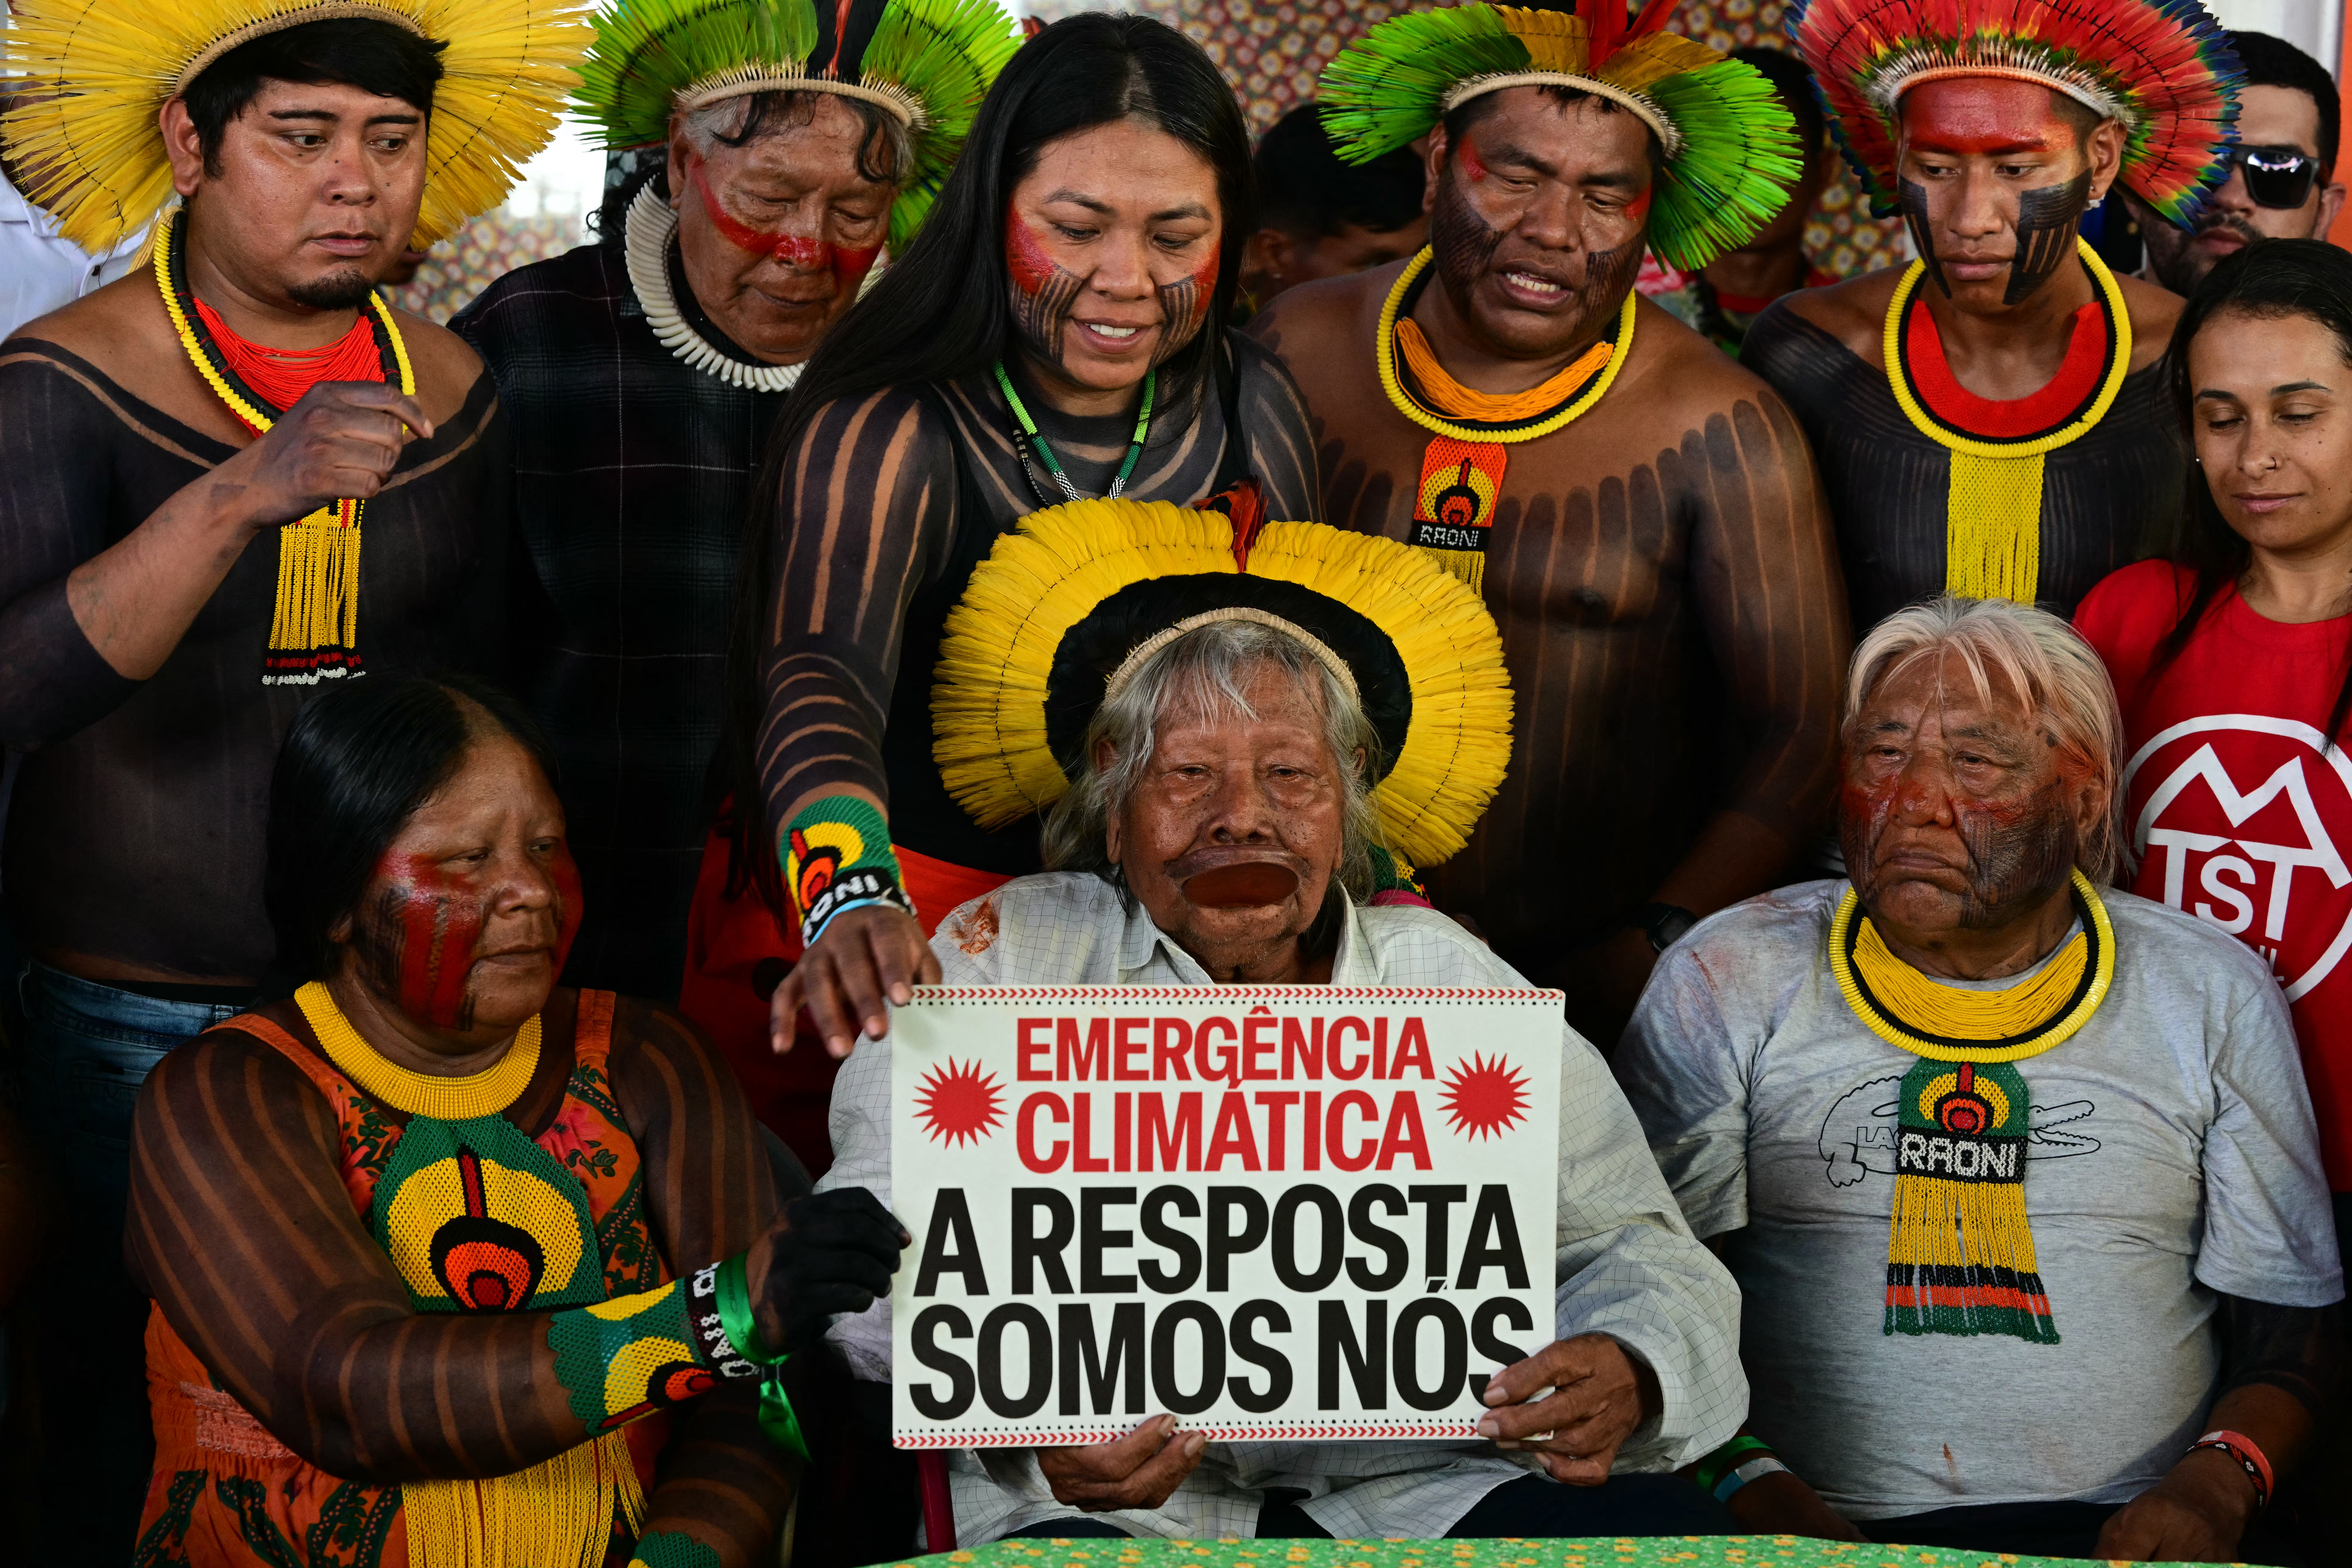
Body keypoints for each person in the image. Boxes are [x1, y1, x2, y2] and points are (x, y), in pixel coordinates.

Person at [820, 497, 1746, 1543]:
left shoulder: (1449, 989)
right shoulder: (1002, 959)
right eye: (1187, 776)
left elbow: (1638, 1244)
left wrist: (1630, 1362)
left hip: (1419, 1484)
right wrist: (1019, 1417)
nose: (1242, 816)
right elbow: (862, 1242)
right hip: (1104, 1494)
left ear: (1346, 807)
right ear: (1113, 814)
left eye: (1289, 775)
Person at [0, 2, 576, 1548]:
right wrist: (243, 491)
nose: (356, 184)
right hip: (127, 998)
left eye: (390, 143)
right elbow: (15, 691)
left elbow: (484, 695)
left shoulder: (451, 385)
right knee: (123, 1386)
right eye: (302, 138)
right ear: (189, 144)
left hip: (387, 1010)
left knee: (352, 1401)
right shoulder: (63, 375)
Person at [1618, 597, 2344, 1563]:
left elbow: (2288, 1323)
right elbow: (1631, 1298)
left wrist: (2217, 1485)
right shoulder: (1728, 977)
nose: (1910, 799)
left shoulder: (2206, 992)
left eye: (1973, 762)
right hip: (1791, 1526)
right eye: (1882, 754)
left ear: (2085, 795)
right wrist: (1755, 1497)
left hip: (2121, 1535)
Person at [125, 673, 905, 1565]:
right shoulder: (224, 1098)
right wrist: (720, 1317)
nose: (527, 890)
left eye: (544, 847)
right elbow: (350, 1397)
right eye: (466, 858)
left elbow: (756, 1400)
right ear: (335, 901)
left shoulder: (648, 1065)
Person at [724, 14, 1324, 1068]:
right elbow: (819, 674)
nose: (1126, 278)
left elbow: (1305, 684)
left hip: (1180, 958)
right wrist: (851, 897)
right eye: (1076, 226)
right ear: (990, 210)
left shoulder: (1251, 401)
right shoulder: (891, 420)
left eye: (1174, 237)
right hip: (914, 937)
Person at [1252, 0, 1850, 1044]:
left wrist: (1648, 952)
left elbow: (1804, 733)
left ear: (1648, 210)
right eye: (1515, 174)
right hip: (1291, 992)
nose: (1552, 230)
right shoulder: (1300, 346)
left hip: (1588, 1005)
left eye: (1603, 194)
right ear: (1438, 165)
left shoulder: (1720, 426)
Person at [454, 0, 1017, 1018]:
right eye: (768, 195)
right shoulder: (529, 344)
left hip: (876, 976)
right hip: (576, 952)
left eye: (855, 212)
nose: (808, 249)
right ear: (678, 160)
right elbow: (444, 672)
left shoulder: (943, 378)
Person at [1750, 0, 2237, 629]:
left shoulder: (2188, 363)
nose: (1969, 218)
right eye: (1934, 168)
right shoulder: (1812, 353)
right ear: (1897, 152)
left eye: (2015, 168)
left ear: (2101, 160)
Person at [2076, 239, 2352, 1254]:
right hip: (2147, 1160)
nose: (2254, 457)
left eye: (2298, 413)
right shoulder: (2129, 619)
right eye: (2219, 417)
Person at [1644, 47, 1839, 357]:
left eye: (1778, 155)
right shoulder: (1632, 309)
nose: (1751, 181)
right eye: (1731, 154)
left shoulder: (1852, 326)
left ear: (1825, 172)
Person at [2128, 32, 2344, 298]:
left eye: (2277, 172)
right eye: (2198, 160)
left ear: (2325, 212)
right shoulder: (2065, 339)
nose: (2230, 198)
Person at [1239, 101, 1426, 317]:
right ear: (1276, 254)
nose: (1410, 289)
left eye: (1420, 258)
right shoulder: (1218, 347)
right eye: (1375, 265)